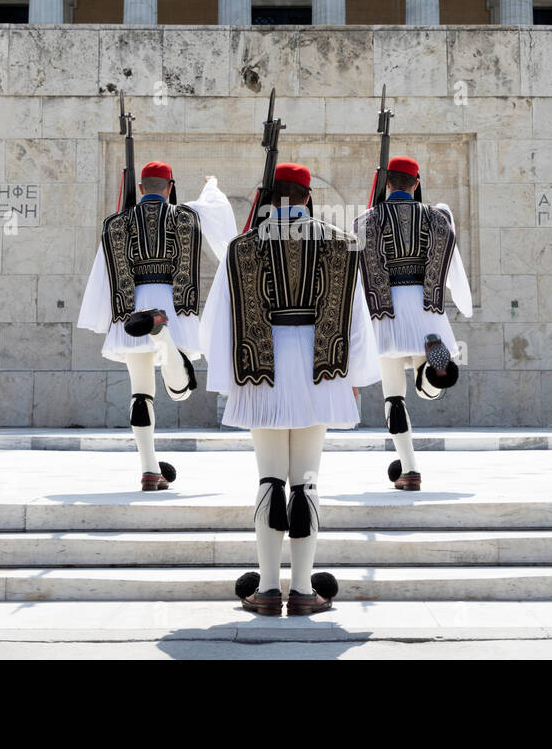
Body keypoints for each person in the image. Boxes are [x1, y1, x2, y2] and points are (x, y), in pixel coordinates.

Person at [202, 163, 380, 616]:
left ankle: (265, 588)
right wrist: (355, 378)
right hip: (322, 367)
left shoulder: (240, 248)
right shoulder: (341, 243)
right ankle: (302, 590)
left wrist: (227, 380)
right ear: (307, 197)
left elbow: (217, 322)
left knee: (268, 477)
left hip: (260, 367)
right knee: (307, 478)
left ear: (269, 194)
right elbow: (356, 320)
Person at [78, 163, 236, 491]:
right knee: (181, 391)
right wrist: (211, 184)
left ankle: (150, 470)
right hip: (172, 303)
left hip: (133, 311)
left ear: (140, 185)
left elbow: (103, 270)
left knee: (140, 393)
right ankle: (163, 337)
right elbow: (216, 211)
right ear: (169, 187)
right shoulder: (185, 215)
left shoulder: (117, 222)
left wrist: (104, 314)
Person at [355, 155, 472, 490]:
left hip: (385, 314)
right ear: (416, 184)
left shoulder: (366, 220)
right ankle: (433, 374)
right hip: (427, 312)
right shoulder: (438, 217)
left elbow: (359, 277)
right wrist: (463, 303)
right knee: (428, 392)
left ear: (386, 184)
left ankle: (410, 469)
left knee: (394, 398)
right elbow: (454, 269)